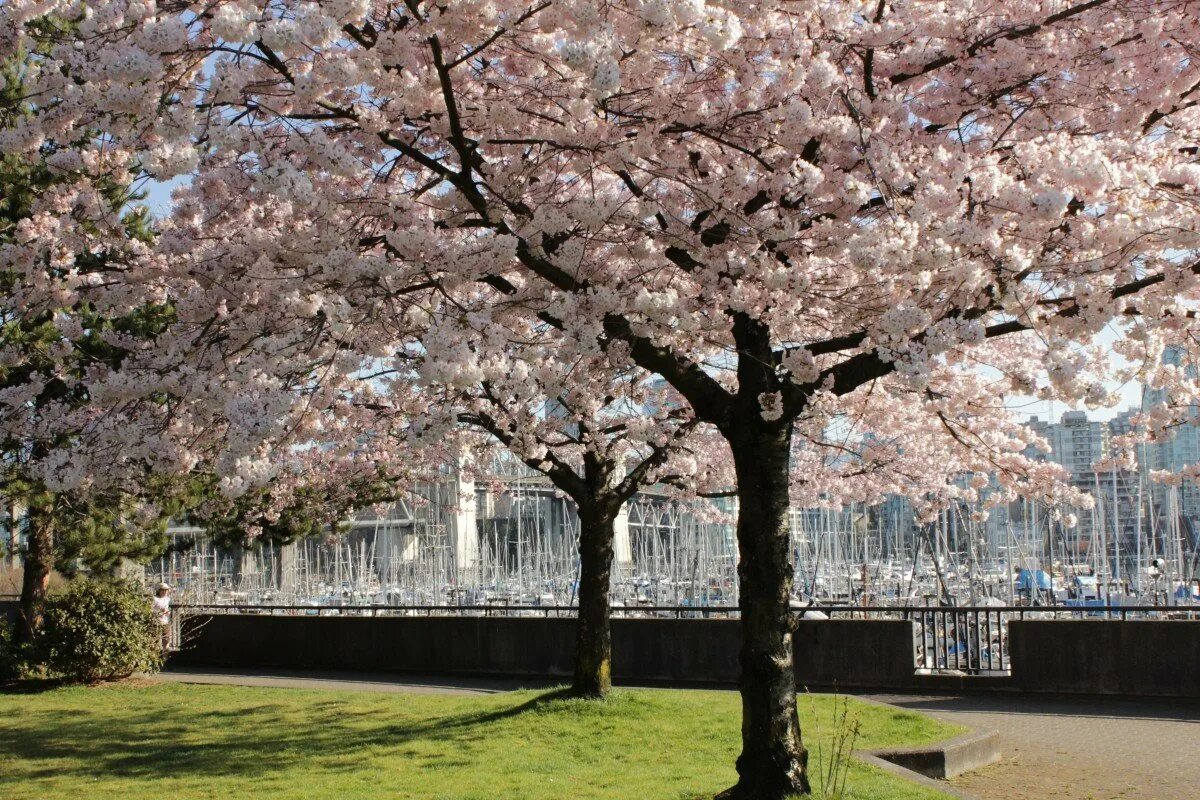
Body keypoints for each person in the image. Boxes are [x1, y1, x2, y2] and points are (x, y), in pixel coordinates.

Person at [152, 583, 172, 651]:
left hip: (165, 622)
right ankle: (154, 657)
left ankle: (165, 658)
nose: (165, 591)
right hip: (156, 622)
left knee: (166, 641)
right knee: (155, 641)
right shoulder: (154, 599)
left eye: (166, 590)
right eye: (163, 590)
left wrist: (168, 612)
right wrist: (159, 611)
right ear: (159, 590)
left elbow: (169, 609)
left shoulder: (168, 599)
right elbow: (150, 610)